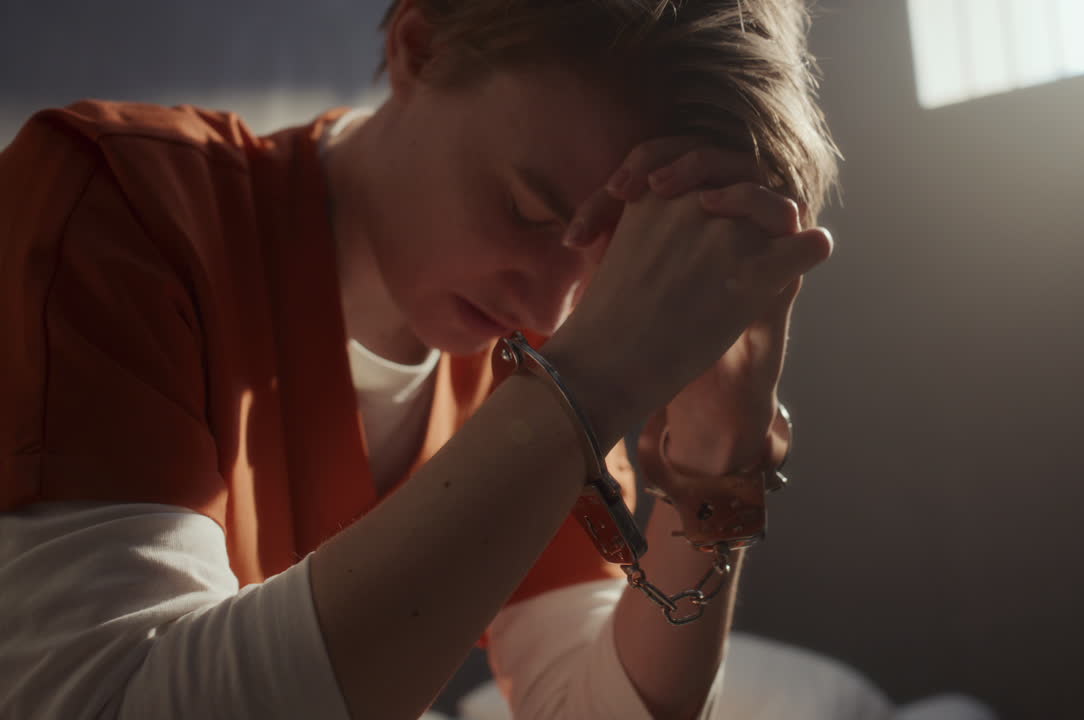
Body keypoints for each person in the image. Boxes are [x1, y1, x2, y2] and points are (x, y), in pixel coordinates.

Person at [0, 1, 918, 718]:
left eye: (605, 258)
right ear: (418, 49)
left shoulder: (539, 370)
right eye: (526, 209)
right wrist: (588, 384)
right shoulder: (122, 207)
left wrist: (716, 457)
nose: (549, 308)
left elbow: (584, 711)